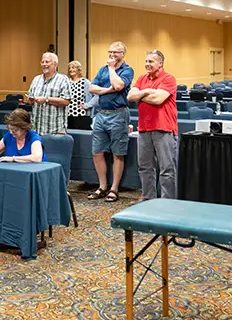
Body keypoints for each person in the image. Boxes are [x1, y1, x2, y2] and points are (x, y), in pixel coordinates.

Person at [128, 49, 177, 202]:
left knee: (167, 169)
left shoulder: (168, 78)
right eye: (146, 61)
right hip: (144, 128)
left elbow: (158, 100)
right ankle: (148, 200)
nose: (147, 64)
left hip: (163, 128)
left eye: (151, 61)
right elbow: (130, 96)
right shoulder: (142, 78)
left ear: (160, 63)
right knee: (145, 168)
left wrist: (140, 95)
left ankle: (167, 202)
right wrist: (147, 91)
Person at [88, 43, 134, 203]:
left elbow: (119, 85)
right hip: (101, 115)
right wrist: (107, 90)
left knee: (117, 154)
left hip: (119, 115)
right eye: (110, 51)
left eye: (116, 52)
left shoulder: (127, 70)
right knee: (97, 152)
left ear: (123, 53)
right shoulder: (102, 69)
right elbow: (91, 88)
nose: (112, 54)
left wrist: (112, 69)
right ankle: (102, 187)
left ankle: (114, 189)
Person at [26, 52, 70, 135]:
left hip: (55, 130)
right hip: (36, 130)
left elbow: (66, 101)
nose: (44, 64)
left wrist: (46, 99)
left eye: (47, 62)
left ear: (55, 64)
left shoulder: (63, 79)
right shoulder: (36, 79)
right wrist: (30, 100)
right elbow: (29, 99)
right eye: (42, 62)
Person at [66, 60, 92, 130]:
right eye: (69, 68)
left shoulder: (85, 82)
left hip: (81, 114)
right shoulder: (66, 82)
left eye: (73, 67)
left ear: (78, 69)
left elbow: (92, 97)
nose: (71, 69)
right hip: (68, 114)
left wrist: (87, 106)